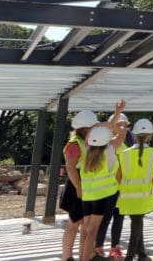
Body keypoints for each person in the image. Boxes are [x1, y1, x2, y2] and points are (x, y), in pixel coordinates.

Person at [79, 101, 127, 261]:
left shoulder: (87, 149)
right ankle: (87, 257)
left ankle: (84, 257)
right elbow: (122, 134)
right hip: (104, 195)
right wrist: (113, 119)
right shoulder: (110, 150)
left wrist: (100, 125)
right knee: (93, 230)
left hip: (88, 196)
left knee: (86, 229)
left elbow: (91, 135)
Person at [116, 118, 153, 261]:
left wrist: (123, 188)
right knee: (137, 223)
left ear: (134, 135)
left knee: (136, 221)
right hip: (144, 195)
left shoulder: (124, 154)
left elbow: (118, 176)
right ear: (150, 136)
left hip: (127, 195)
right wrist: (151, 189)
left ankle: (142, 254)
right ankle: (130, 256)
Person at [97, 112, 135, 260]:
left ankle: (115, 248)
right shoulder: (106, 143)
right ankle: (98, 247)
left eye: (124, 125)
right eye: (119, 125)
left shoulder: (127, 146)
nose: (123, 128)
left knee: (118, 218)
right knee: (104, 218)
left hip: (121, 188)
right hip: (107, 188)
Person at [61, 109, 98, 261]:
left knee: (84, 224)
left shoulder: (86, 142)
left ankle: (86, 256)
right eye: (93, 126)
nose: (95, 129)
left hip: (84, 186)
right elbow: (70, 167)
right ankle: (67, 257)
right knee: (74, 223)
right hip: (77, 187)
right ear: (85, 128)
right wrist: (78, 188)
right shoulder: (75, 143)